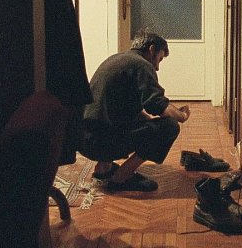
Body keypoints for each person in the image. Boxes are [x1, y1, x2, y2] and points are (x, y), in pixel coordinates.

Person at [78, 30, 190, 192]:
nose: (157, 67)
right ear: (151, 49)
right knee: (170, 126)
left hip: (84, 140)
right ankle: (120, 178)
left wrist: (151, 127)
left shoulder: (117, 59)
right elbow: (156, 104)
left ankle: (103, 169)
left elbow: (124, 109)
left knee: (125, 119)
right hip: (101, 143)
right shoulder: (142, 65)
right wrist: (182, 115)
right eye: (159, 59)